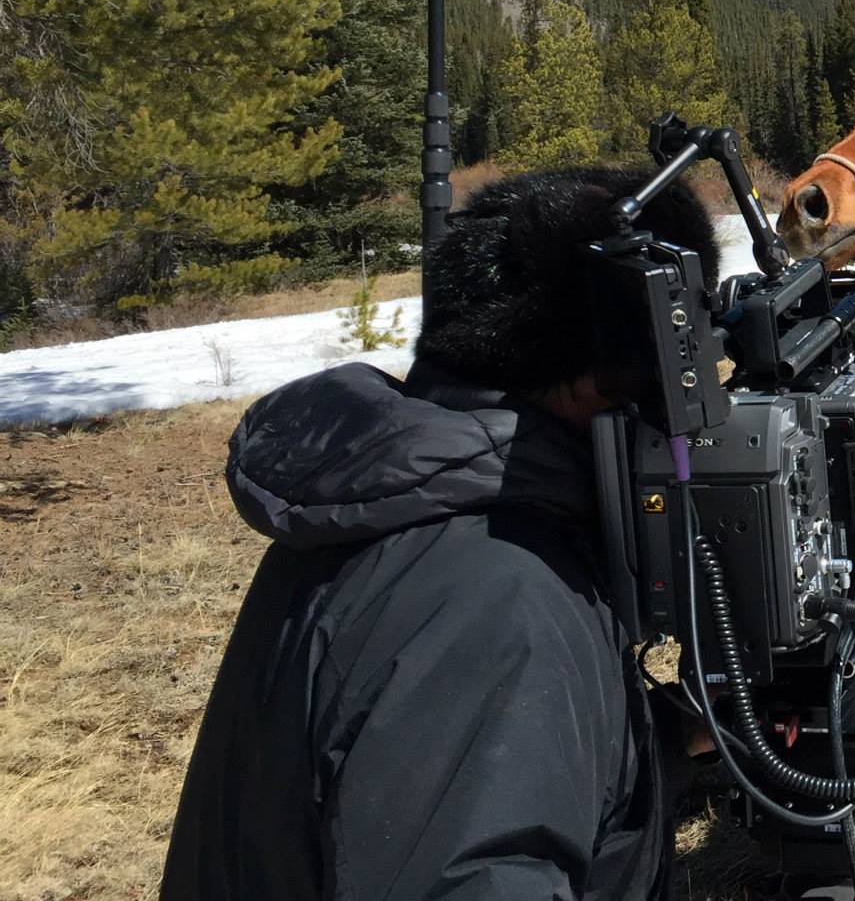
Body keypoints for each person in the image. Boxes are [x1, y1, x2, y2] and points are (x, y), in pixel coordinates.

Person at [160, 165, 719, 901]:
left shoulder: (398, 506)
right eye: (692, 355)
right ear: (606, 374)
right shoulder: (500, 605)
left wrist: (669, 743)